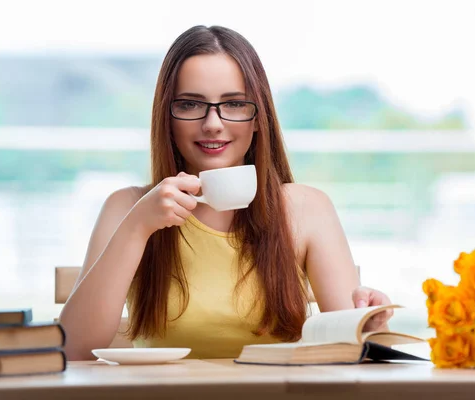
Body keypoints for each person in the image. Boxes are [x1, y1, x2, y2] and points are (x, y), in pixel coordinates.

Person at [59, 25, 394, 361]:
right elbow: (73, 349)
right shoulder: (128, 208)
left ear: (259, 118)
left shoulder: (307, 208)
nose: (213, 123)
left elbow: (354, 349)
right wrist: (138, 226)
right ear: (167, 118)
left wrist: (369, 323)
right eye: (191, 104)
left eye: (233, 104)